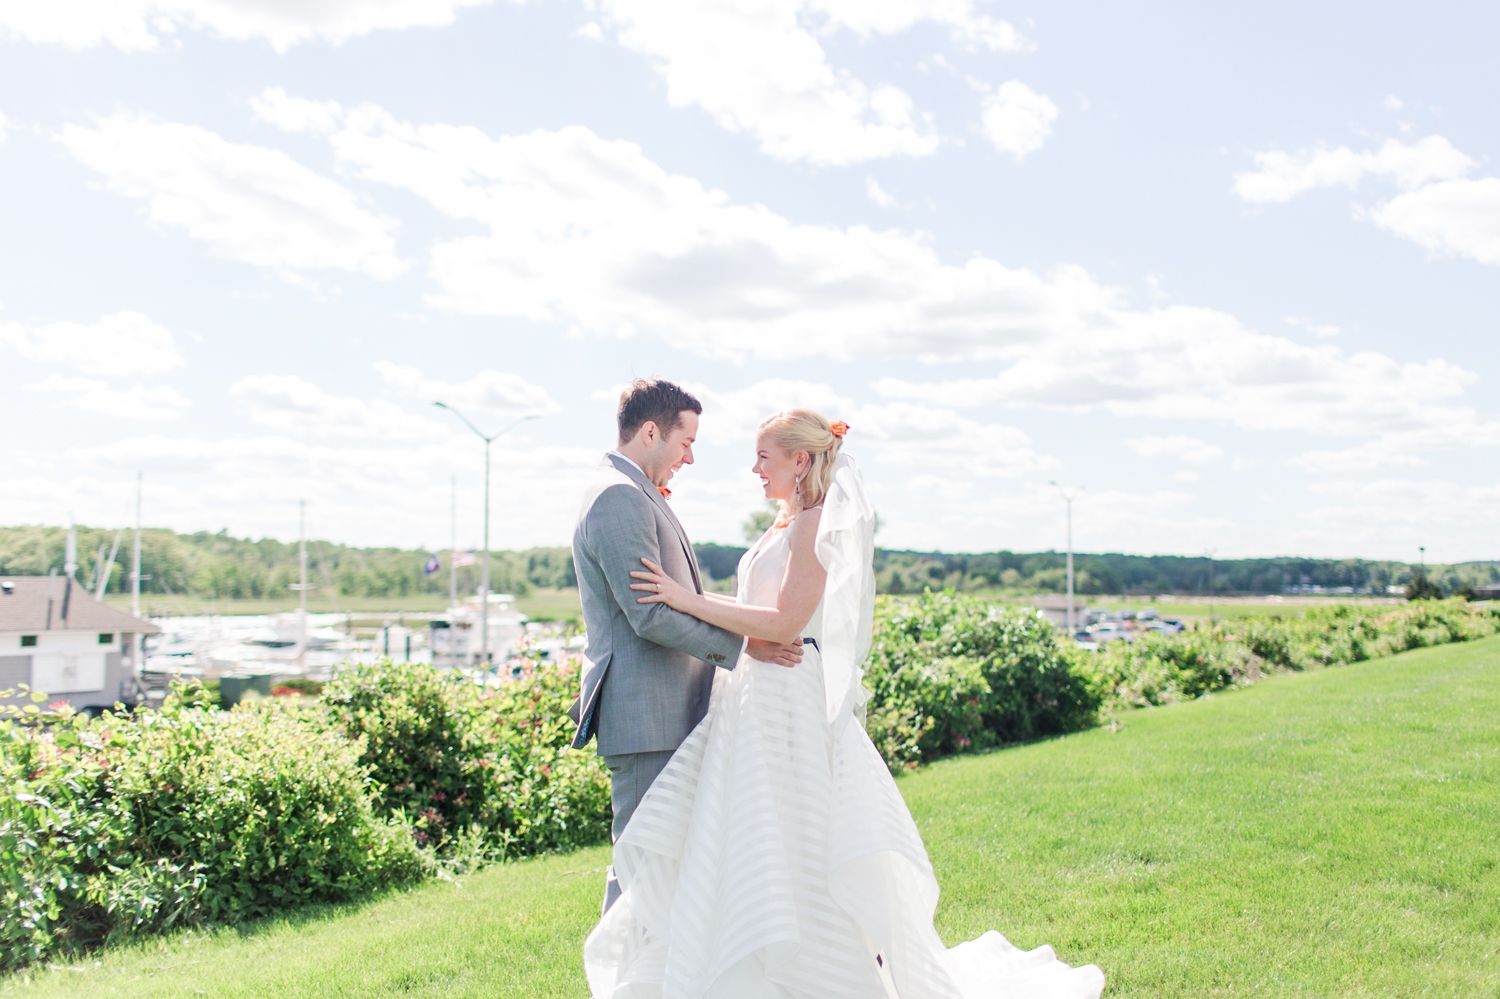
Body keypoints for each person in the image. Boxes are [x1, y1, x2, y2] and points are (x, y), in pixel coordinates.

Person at [583, 408, 1105, 999]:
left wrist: (685, 598)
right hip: (751, 701)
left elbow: (784, 621)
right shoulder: (786, 523)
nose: (754, 468)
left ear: (800, 460)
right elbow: (760, 607)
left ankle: (813, 971)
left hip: (785, 700)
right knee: (746, 833)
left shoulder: (815, 523)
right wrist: (711, 611)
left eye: (764, 457)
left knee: (790, 834)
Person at [571, 378, 806, 916]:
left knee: (672, 860)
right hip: (645, 712)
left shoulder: (635, 492)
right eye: (686, 442)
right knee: (641, 862)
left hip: (668, 709)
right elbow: (650, 614)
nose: (690, 458)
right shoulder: (617, 497)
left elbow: (686, 598)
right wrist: (747, 646)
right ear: (650, 432)